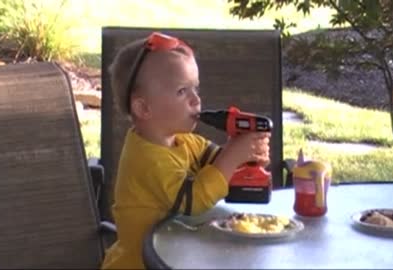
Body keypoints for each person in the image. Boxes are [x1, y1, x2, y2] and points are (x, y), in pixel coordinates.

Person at [101, 32, 271, 269]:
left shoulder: (181, 141)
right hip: (141, 263)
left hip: (178, 255)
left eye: (196, 89)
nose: (196, 100)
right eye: (182, 91)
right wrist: (233, 155)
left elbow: (216, 162)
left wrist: (246, 154)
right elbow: (194, 199)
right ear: (143, 108)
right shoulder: (147, 159)